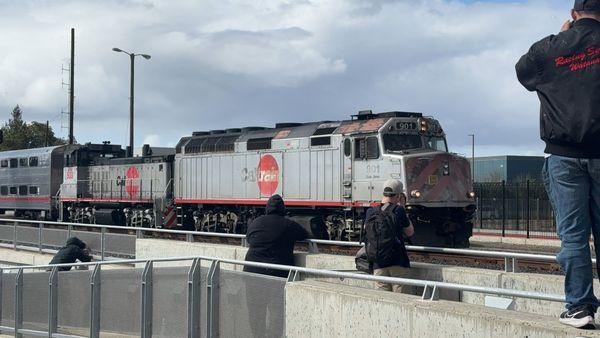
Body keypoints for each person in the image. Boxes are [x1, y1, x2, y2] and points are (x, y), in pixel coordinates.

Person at [516, 0, 600, 329]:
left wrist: (559, 36)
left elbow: (523, 71)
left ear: (573, 14)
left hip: (564, 156)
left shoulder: (549, 49)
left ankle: (579, 308)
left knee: (574, 237)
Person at [243, 194, 308, 338]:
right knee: (276, 313)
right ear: (283, 209)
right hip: (276, 274)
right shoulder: (287, 224)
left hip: (251, 272)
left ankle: (257, 336)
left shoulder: (256, 222)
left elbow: (248, 238)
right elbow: (304, 234)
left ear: (267, 208)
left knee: (255, 312)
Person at [364, 179, 414, 292]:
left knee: (383, 299)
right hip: (398, 262)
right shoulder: (399, 210)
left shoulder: (371, 211)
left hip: (378, 263)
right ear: (399, 195)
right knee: (402, 299)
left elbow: (365, 230)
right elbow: (410, 232)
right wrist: (403, 209)